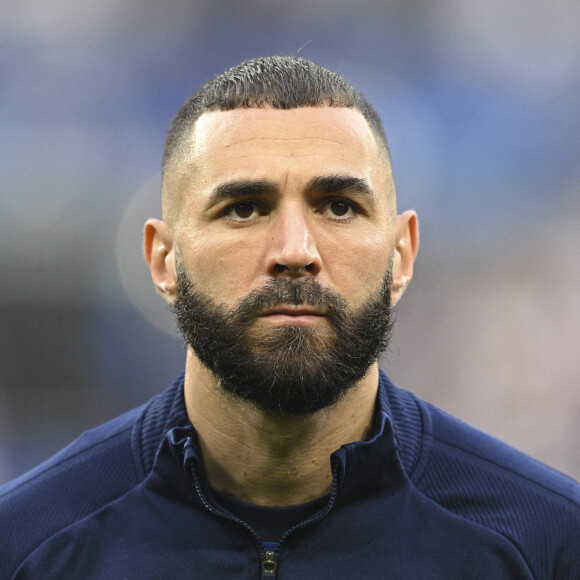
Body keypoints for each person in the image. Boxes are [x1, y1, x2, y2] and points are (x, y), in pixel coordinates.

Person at [0, 55, 578, 580]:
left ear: (401, 254)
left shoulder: (546, 542)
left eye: (338, 207)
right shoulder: (28, 544)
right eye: (245, 208)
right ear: (163, 259)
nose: (296, 249)